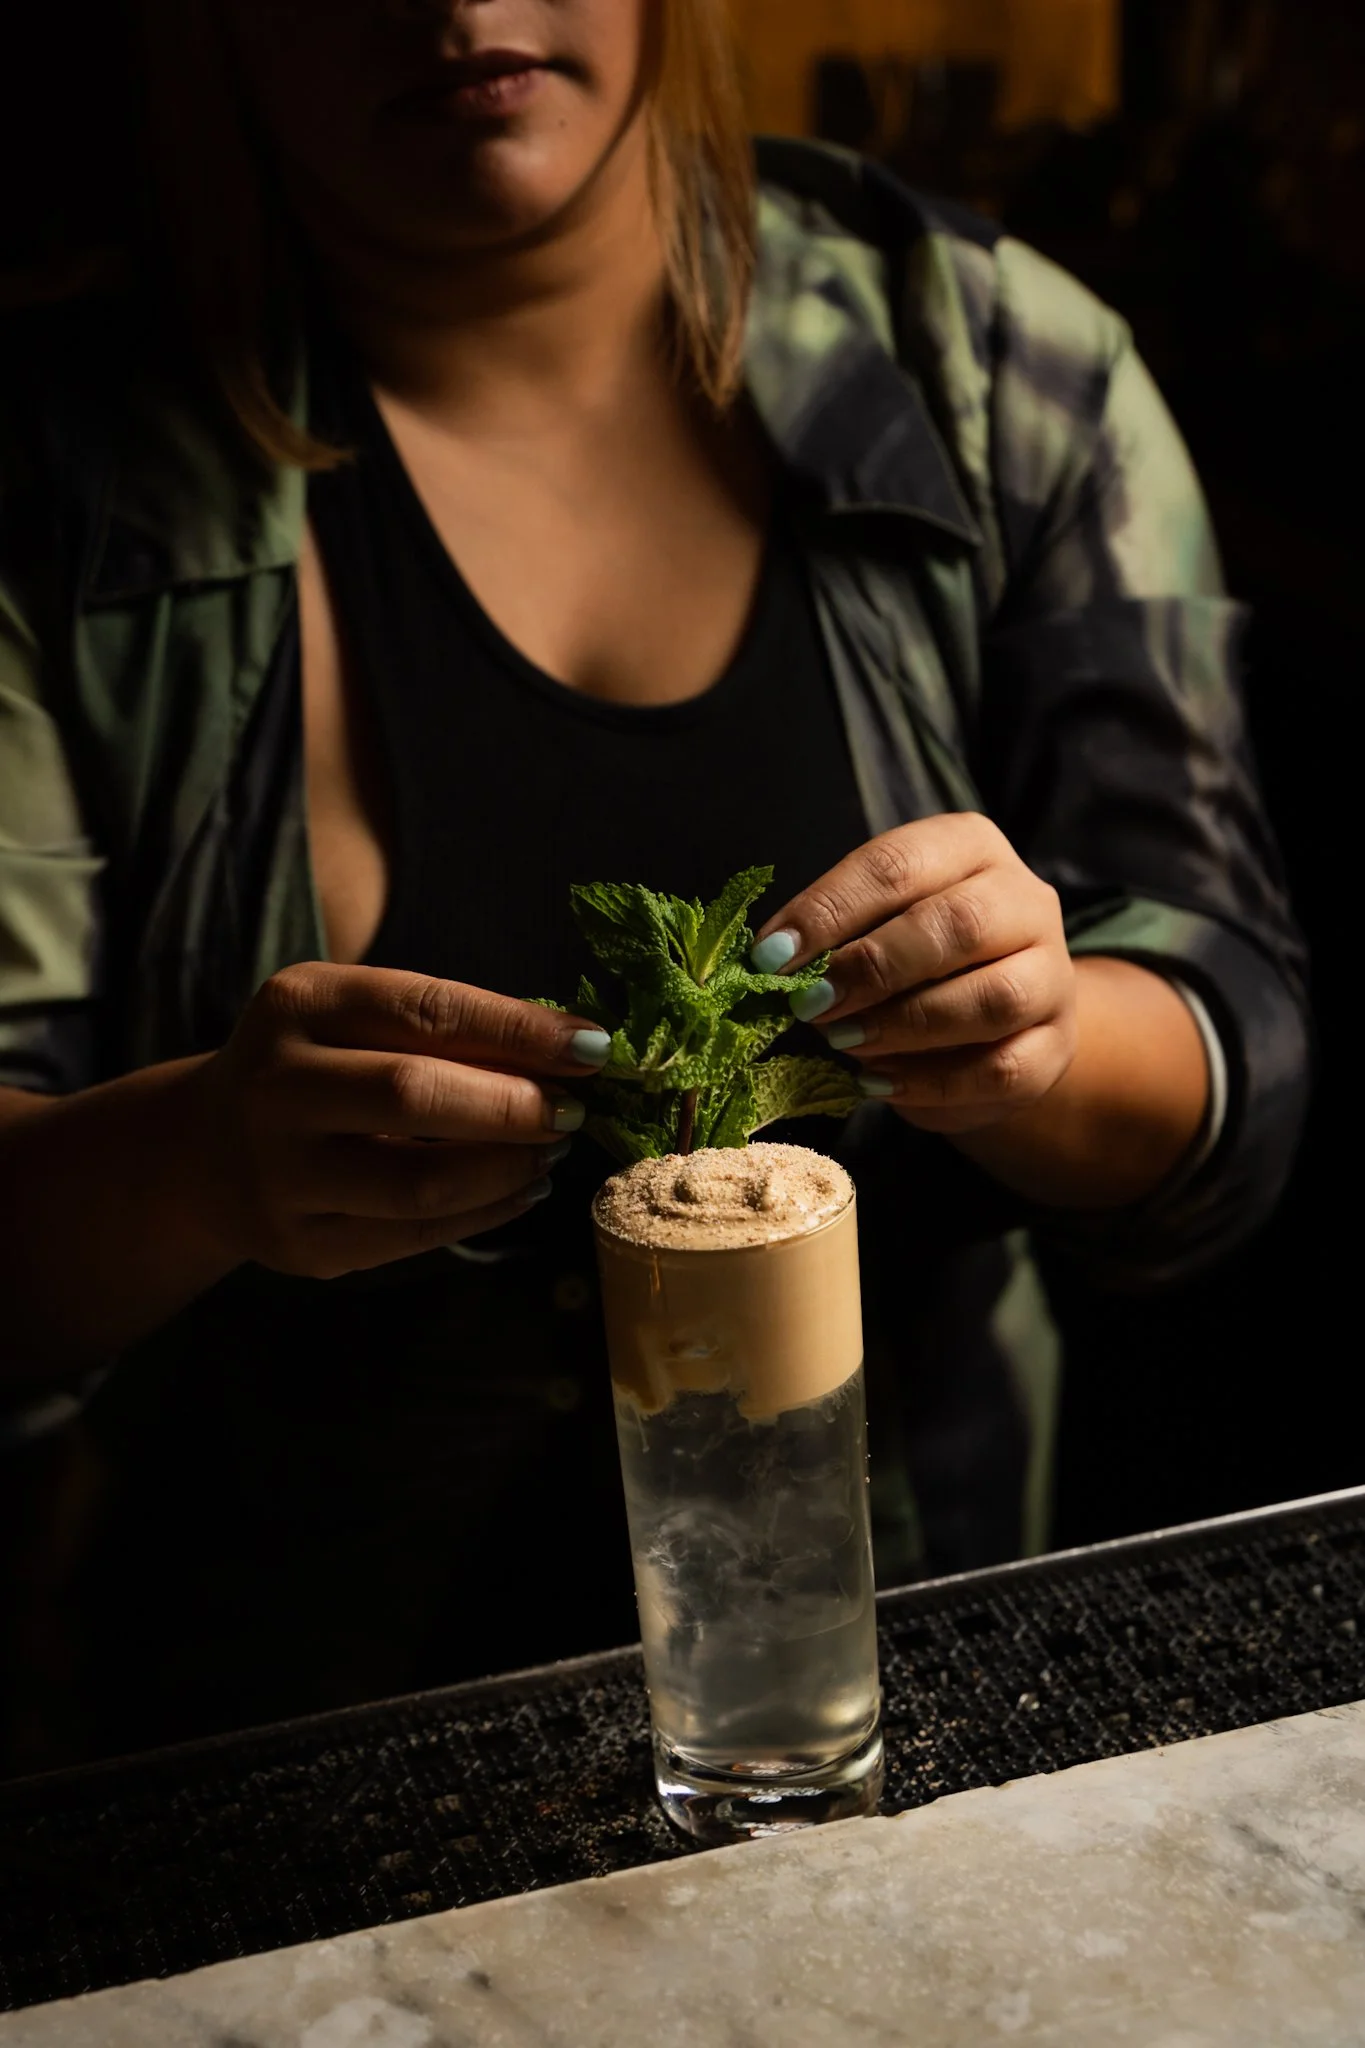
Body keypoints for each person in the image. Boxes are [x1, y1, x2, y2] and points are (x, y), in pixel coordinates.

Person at [0, 0, 1307, 1767]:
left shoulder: (999, 359)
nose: (454, 3)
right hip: (278, 1749)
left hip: (913, 1686)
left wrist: (1047, 1036)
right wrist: (196, 1160)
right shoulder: (56, 467)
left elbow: (1238, 1068)